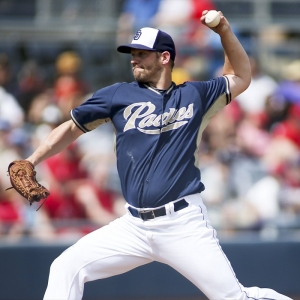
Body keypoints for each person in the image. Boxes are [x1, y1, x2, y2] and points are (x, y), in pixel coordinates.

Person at [22, 10, 292, 300]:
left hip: (182, 222)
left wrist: (224, 30)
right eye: (132, 53)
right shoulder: (118, 95)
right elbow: (71, 128)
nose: (134, 59)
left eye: (142, 53)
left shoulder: (194, 95)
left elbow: (240, 76)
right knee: (66, 266)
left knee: (232, 297)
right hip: (134, 225)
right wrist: (32, 160)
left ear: (164, 57)